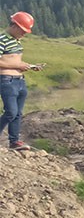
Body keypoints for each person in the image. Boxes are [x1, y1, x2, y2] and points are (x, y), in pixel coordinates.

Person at [1, 12, 42, 151]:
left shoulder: (16, 40)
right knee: (10, 112)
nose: (24, 34)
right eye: (23, 31)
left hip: (19, 80)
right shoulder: (1, 39)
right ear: (15, 26)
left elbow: (14, 60)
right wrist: (17, 66)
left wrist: (29, 66)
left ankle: (14, 141)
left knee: (18, 113)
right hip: (7, 80)